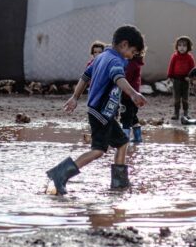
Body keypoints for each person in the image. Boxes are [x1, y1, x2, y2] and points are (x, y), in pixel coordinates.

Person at [47, 25, 146, 195]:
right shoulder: (115, 61)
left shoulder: (101, 57)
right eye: (133, 52)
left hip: (101, 112)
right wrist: (133, 93)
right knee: (98, 150)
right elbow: (118, 78)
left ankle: (119, 184)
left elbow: (85, 77)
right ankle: (60, 175)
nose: (132, 57)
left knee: (122, 143)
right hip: (101, 113)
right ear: (124, 45)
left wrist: (75, 97)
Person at [166, 36, 196, 120]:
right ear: (177, 46)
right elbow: (171, 67)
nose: (182, 48)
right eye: (180, 45)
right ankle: (176, 113)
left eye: (184, 46)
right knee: (177, 98)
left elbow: (193, 69)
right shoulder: (175, 56)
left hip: (186, 80)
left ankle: (186, 113)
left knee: (185, 98)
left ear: (188, 47)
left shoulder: (189, 57)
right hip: (176, 80)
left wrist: (190, 78)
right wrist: (169, 77)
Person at [121, 50, 145, 143]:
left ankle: (124, 139)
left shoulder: (131, 64)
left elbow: (125, 79)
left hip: (127, 96)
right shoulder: (136, 63)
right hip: (133, 96)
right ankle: (137, 137)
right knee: (133, 116)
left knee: (125, 117)